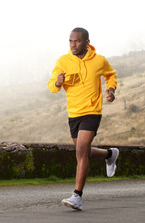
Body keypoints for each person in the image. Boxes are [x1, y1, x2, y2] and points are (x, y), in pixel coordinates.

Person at [48, 27, 119, 211]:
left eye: (77, 41)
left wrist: (110, 90)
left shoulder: (99, 60)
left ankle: (77, 196)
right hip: (73, 113)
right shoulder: (63, 61)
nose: (73, 44)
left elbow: (110, 75)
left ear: (87, 42)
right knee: (84, 153)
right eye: (70, 41)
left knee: (80, 151)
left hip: (92, 111)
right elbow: (52, 85)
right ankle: (110, 154)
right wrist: (57, 82)